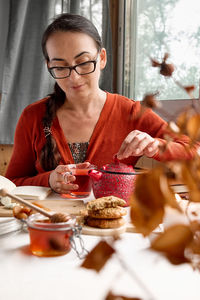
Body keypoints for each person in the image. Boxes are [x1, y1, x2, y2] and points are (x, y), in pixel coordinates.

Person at [5, 13, 198, 194]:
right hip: (51, 226)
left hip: (114, 226)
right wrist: (48, 181)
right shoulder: (33, 116)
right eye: (61, 67)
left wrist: (156, 146)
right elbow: (12, 183)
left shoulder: (131, 112)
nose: (74, 77)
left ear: (102, 58)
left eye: (83, 62)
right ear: (49, 66)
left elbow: (194, 151)